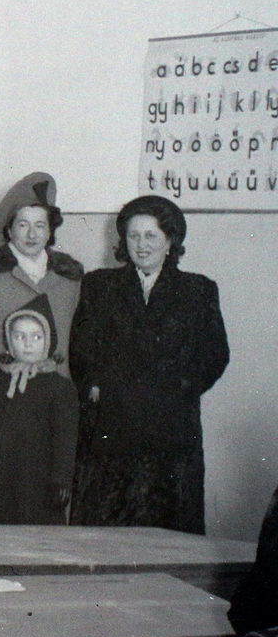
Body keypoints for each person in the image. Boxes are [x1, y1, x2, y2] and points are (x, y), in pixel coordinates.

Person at [69, 195, 229, 533]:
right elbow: (81, 351)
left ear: (170, 240)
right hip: (111, 429)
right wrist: (99, 389)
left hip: (170, 431)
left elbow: (215, 355)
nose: (141, 245)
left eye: (151, 236)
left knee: (168, 531)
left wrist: (178, 390)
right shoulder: (99, 286)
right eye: (133, 236)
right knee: (104, 531)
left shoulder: (198, 291)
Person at [0, 173, 83, 435]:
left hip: (55, 399)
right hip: (3, 394)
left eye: (40, 225)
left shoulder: (70, 275)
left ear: (50, 230)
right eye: (23, 225)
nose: (32, 234)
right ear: (8, 228)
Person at [0, 295, 79, 524]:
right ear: (9, 341)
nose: (28, 343)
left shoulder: (60, 387)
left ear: (49, 341)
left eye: (36, 336)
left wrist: (61, 479)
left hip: (37, 480)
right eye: (19, 336)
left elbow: (65, 439)